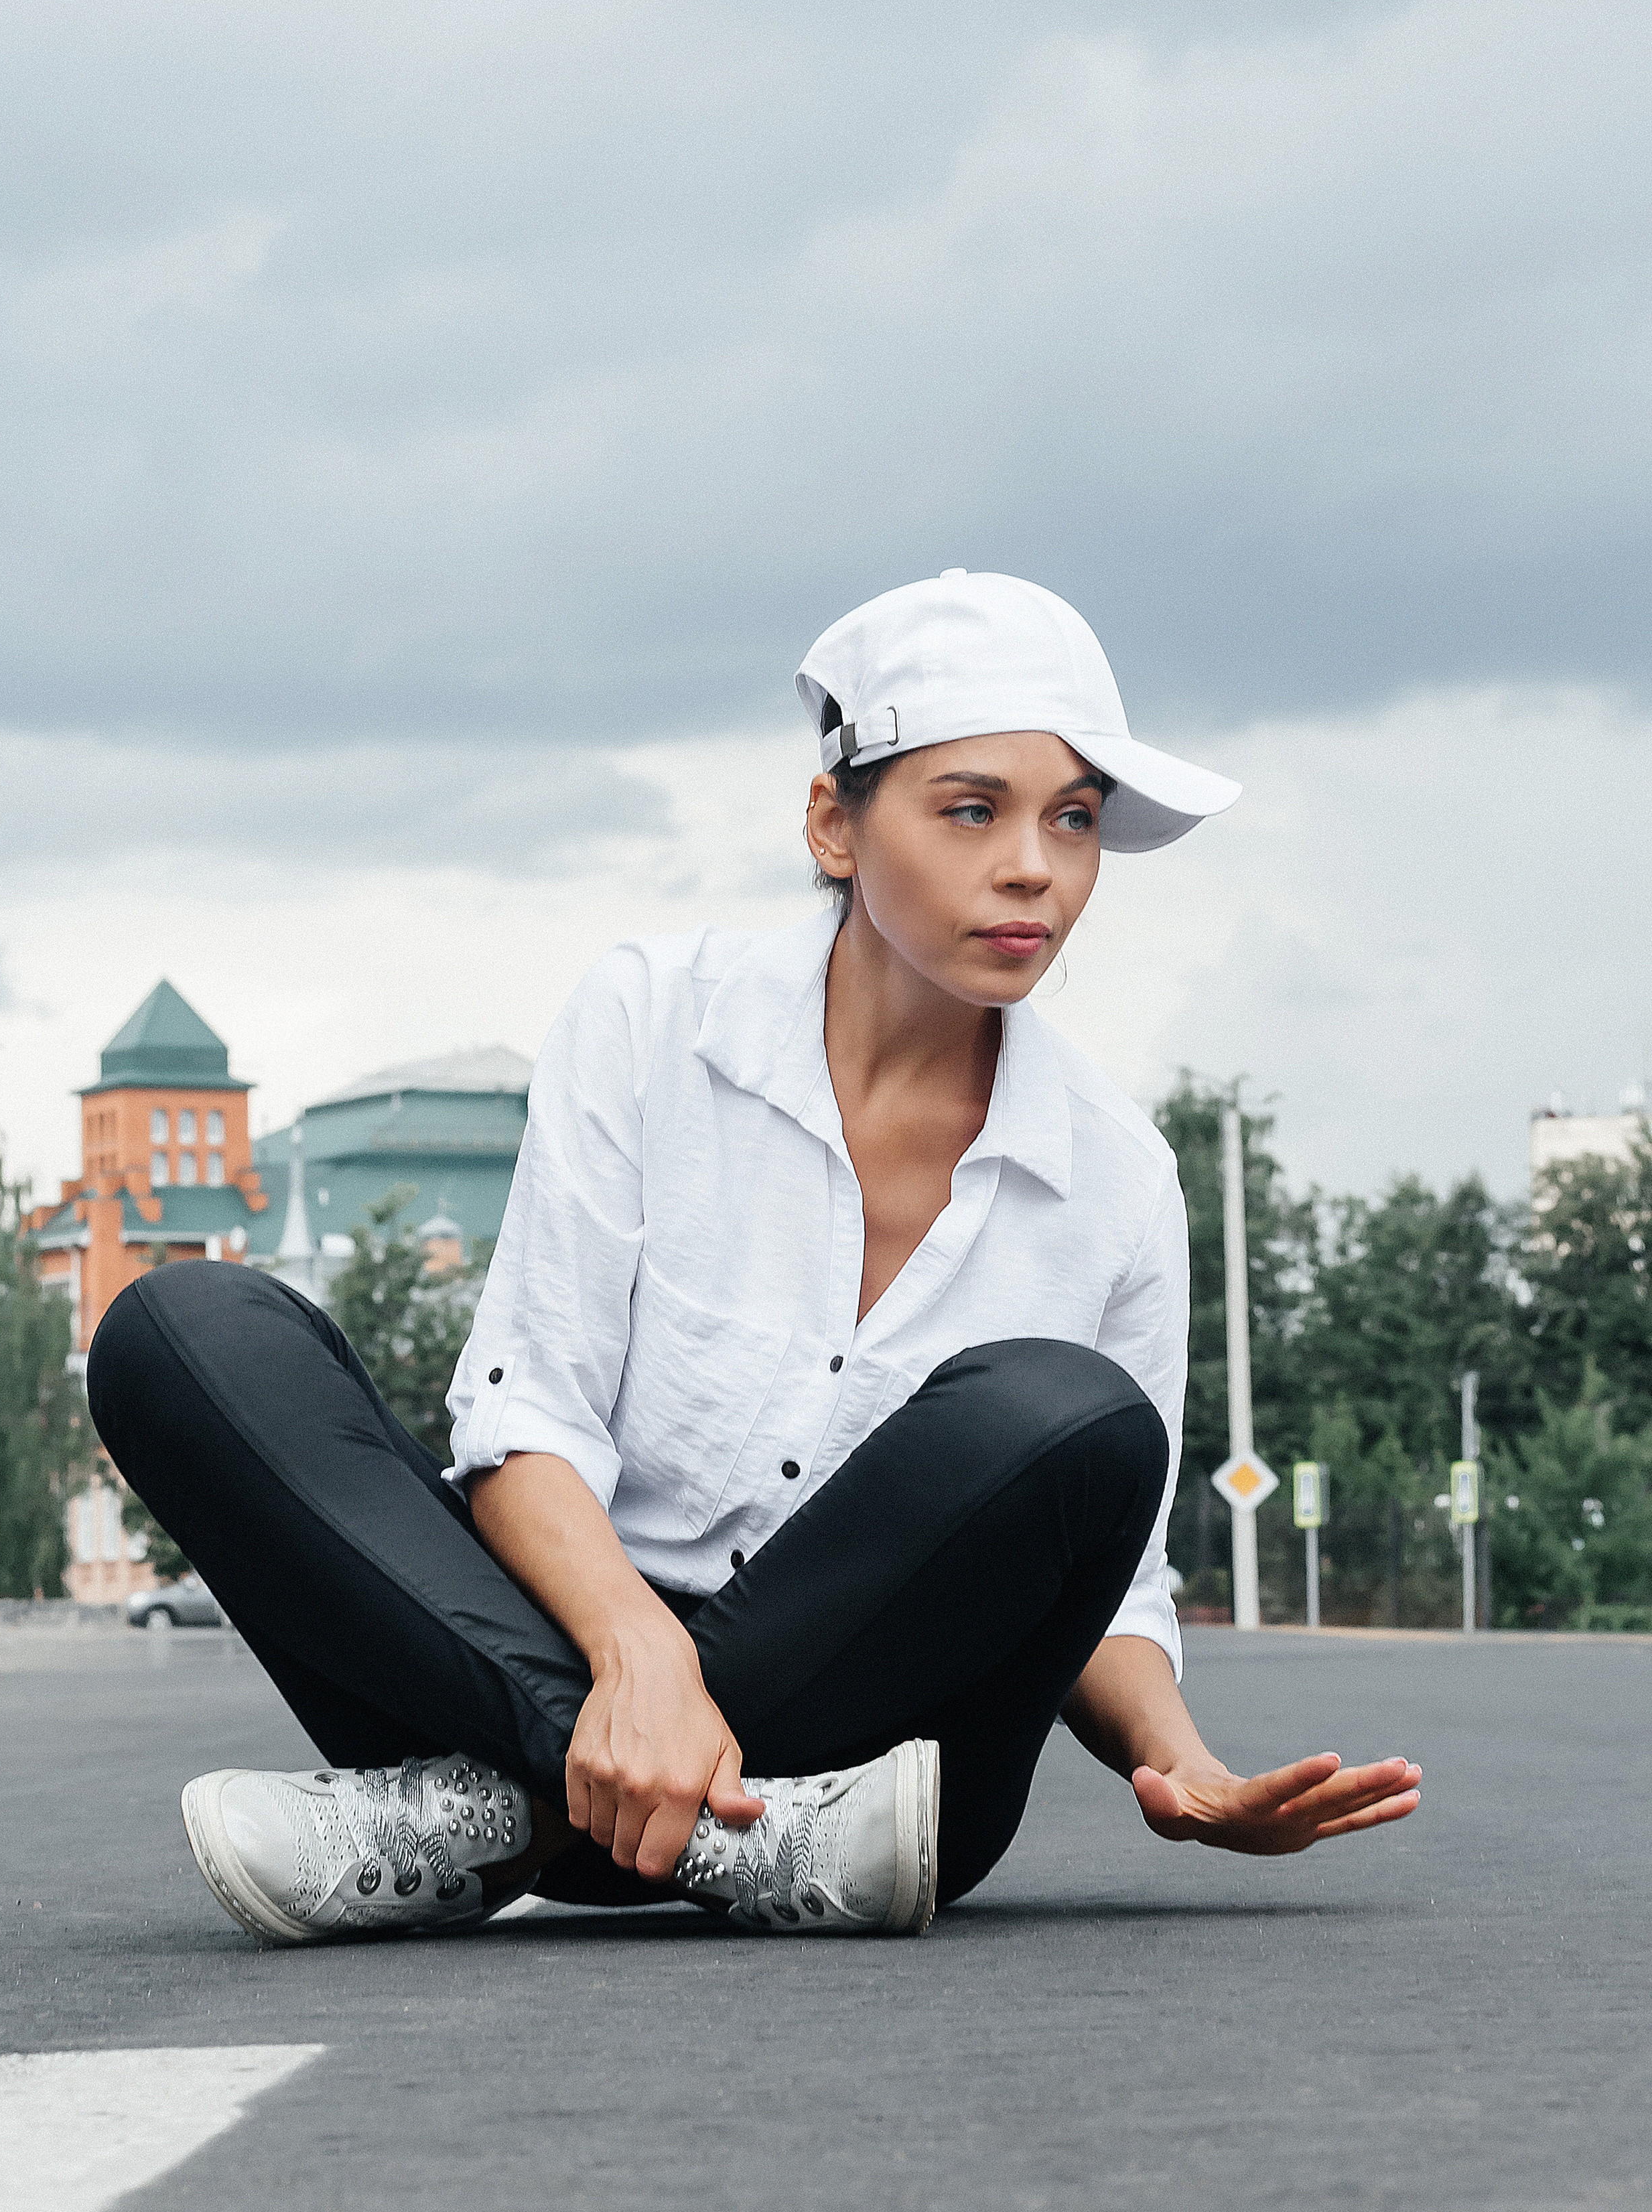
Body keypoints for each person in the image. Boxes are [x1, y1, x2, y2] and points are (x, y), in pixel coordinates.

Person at [88, 570, 1420, 1947]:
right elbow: (526, 1416)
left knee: (1070, 1417)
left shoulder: (1118, 1179)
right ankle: (707, 1831)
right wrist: (634, 1653)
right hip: (573, 1675)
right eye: (971, 809)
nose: (1032, 865)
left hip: (885, 1765)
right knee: (181, 1329)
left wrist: (1180, 1764)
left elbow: (1110, 1573)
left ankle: (485, 1819)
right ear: (832, 823)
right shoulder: (650, 1022)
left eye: (1071, 820)